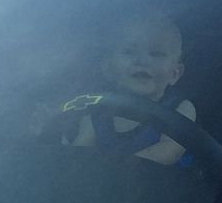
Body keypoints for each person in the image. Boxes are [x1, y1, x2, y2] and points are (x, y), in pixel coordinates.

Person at [68, 12, 197, 166]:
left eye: (157, 54)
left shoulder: (180, 108)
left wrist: (116, 169)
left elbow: (169, 152)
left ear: (175, 73)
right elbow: (77, 155)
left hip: (157, 181)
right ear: (108, 68)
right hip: (100, 180)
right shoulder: (98, 110)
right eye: (129, 52)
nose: (142, 61)